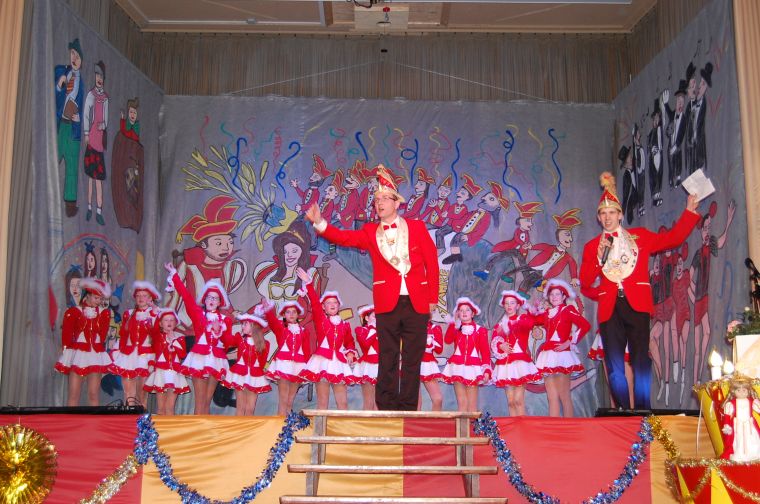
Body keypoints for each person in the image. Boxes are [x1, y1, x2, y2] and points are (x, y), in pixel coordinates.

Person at [305, 164, 439, 411]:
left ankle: (408, 406)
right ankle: (386, 406)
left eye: (385, 199)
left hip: (417, 300)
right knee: (387, 354)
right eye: (377, 200)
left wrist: (432, 298)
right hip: (387, 301)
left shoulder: (417, 227)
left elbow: (432, 262)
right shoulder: (369, 231)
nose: (379, 204)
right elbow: (344, 237)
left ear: (396, 203)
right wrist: (320, 223)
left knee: (412, 357)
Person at [580, 172, 699, 409]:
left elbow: (672, 239)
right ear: (598, 218)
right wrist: (599, 259)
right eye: (603, 214)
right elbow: (585, 281)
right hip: (609, 307)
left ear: (620, 215)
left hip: (636, 304)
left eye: (612, 212)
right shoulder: (592, 246)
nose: (607, 217)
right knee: (614, 366)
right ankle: (624, 410)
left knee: (641, 361)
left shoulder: (640, 237)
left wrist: (690, 211)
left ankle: (643, 411)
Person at [165, 262, 233, 415]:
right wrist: (174, 275)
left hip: (216, 360)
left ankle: (205, 428)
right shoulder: (198, 314)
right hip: (199, 358)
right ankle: (197, 428)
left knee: (207, 401)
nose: (212, 300)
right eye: (209, 297)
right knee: (200, 400)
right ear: (204, 299)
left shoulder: (225, 320)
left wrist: (219, 332)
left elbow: (228, 343)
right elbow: (186, 295)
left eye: (215, 298)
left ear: (220, 302)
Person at [298, 269, 357, 409]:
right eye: (328, 302)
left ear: (339, 305)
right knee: (322, 403)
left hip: (339, 363)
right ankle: (321, 424)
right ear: (323, 307)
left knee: (343, 403)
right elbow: (314, 302)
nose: (332, 304)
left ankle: (343, 424)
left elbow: (349, 341)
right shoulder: (321, 320)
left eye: (335, 302)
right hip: (322, 362)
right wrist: (309, 283)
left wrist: (350, 352)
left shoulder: (345, 325)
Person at [533, 279, 590, 417]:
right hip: (547, 356)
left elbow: (585, 325)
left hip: (562, 356)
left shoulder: (568, 310)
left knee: (564, 395)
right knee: (551, 397)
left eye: (557, 294)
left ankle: (568, 426)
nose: (554, 297)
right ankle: (554, 426)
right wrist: (534, 310)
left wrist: (569, 342)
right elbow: (534, 321)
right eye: (552, 295)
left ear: (564, 297)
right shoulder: (547, 313)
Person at [55, 278, 112, 406]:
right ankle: (71, 418)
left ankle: (93, 419)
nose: (99, 301)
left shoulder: (104, 313)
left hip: (95, 355)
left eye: (101, 299)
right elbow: (67, 336)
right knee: (74, 394)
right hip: (78, 355)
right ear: (88, 295)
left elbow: (102, 336)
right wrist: (66, 352)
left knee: (93, 394)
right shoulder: (73, 312)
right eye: (96, 298)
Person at [110, 281, 160, 406]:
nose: (140, 298)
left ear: (151, 298)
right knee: (128, 393)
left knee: (142, 394)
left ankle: (141, 417)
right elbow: (123, 334)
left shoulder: (155, 314)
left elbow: (156, 335)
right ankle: (128, 416)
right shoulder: (128, 313)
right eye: (138, 296)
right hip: (129, 355)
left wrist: (153, 315)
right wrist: (119, 351)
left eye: (144, 296)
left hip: (145, 356)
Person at [491, 290, 540, 416]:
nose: (509, 306)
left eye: (512, 303)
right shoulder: (500, 325)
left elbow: (530, 324)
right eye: (507, 303)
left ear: (518, 306)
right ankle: (514, 425)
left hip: (520, 363)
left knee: (518, 400)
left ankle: (522, 425)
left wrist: (530, 311)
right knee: (511, 402)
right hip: (506, 364)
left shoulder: (522, 319)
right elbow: (494, 340)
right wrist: (500, 345)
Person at [441, 297, 492, 412]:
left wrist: (487, 370)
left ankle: (471, 424)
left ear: (473, 313)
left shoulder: (480, 330)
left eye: (467, 310)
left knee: (472, 406)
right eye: (461, 310)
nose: (464, 312)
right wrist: (453, 323)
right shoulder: (456, 328)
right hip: (457, 367)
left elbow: (485, 352)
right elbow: (448, 340)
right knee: (462, 403)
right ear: (458, 313)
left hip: (472, 368)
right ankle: (461, 424)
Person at [263, 298, 311, 415]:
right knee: (283, 400)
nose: (291, 314)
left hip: (298, 366)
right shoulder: (281, 329)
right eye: (288, 312)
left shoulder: (304, 331)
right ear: (284, 315)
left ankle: (288, 424)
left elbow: (306, 350)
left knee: (290, 401)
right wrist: (268, 309)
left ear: (298, 315)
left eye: (294, 312)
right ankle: (280, 422)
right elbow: (272, 321)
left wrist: (308, 368)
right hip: (283, 364)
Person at [221, 313, 272, 416]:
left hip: (255, 376)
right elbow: (227, 340)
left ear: (253, 326)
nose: (242, 326)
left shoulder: (265, 344)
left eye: (245, 324)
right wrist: (225, 325)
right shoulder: (239, 338)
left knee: (250, 408)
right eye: (242, 324)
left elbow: (262, 363)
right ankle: (239, 426)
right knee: (240, 407)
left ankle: (248, 426)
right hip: (239, 374)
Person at [144, 309, 190, 415]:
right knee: (161, 408)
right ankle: (161, 425)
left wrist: (173, 340)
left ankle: (170, 425)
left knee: (170, 407)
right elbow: (153, 334)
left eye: (172, 320)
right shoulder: (157, 337)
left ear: (176, 323)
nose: (169, 322)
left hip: (174, 373)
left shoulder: (180, 338)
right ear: (160, 323)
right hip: (161, 372)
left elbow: (182, 354)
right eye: (166, 320)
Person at [720, 375, 760, 462]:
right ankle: (739, 456)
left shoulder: (752, 401)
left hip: (750, 425)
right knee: (738, 441)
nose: (741, 393)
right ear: (734, 391)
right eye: (738, 390)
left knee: (753, 440)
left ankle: (755, 455)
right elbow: (727, 415)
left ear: (748, 391)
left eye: (744, 390)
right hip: (737, 425)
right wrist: (727, 425)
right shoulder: (731, 403)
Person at [354, 305, 379, 410]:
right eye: (375, 316)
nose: (378, 319)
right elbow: (365, 344)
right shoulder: (360, 330)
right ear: (367, 318)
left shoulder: (383, 331)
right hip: (368, 365)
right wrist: (373, 329)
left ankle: (378, 421)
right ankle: (366, 421)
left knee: (379, 402)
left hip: (382, 365)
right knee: (369, 401)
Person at [419, 320, 444, 411]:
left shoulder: (434, 328)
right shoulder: (409, 326)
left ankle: (434, 420)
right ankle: (413, 420)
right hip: (412, 362)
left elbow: (439, 350)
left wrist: (432, 342)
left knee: (438, 399)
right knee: (415, 401)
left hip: (428, 363)